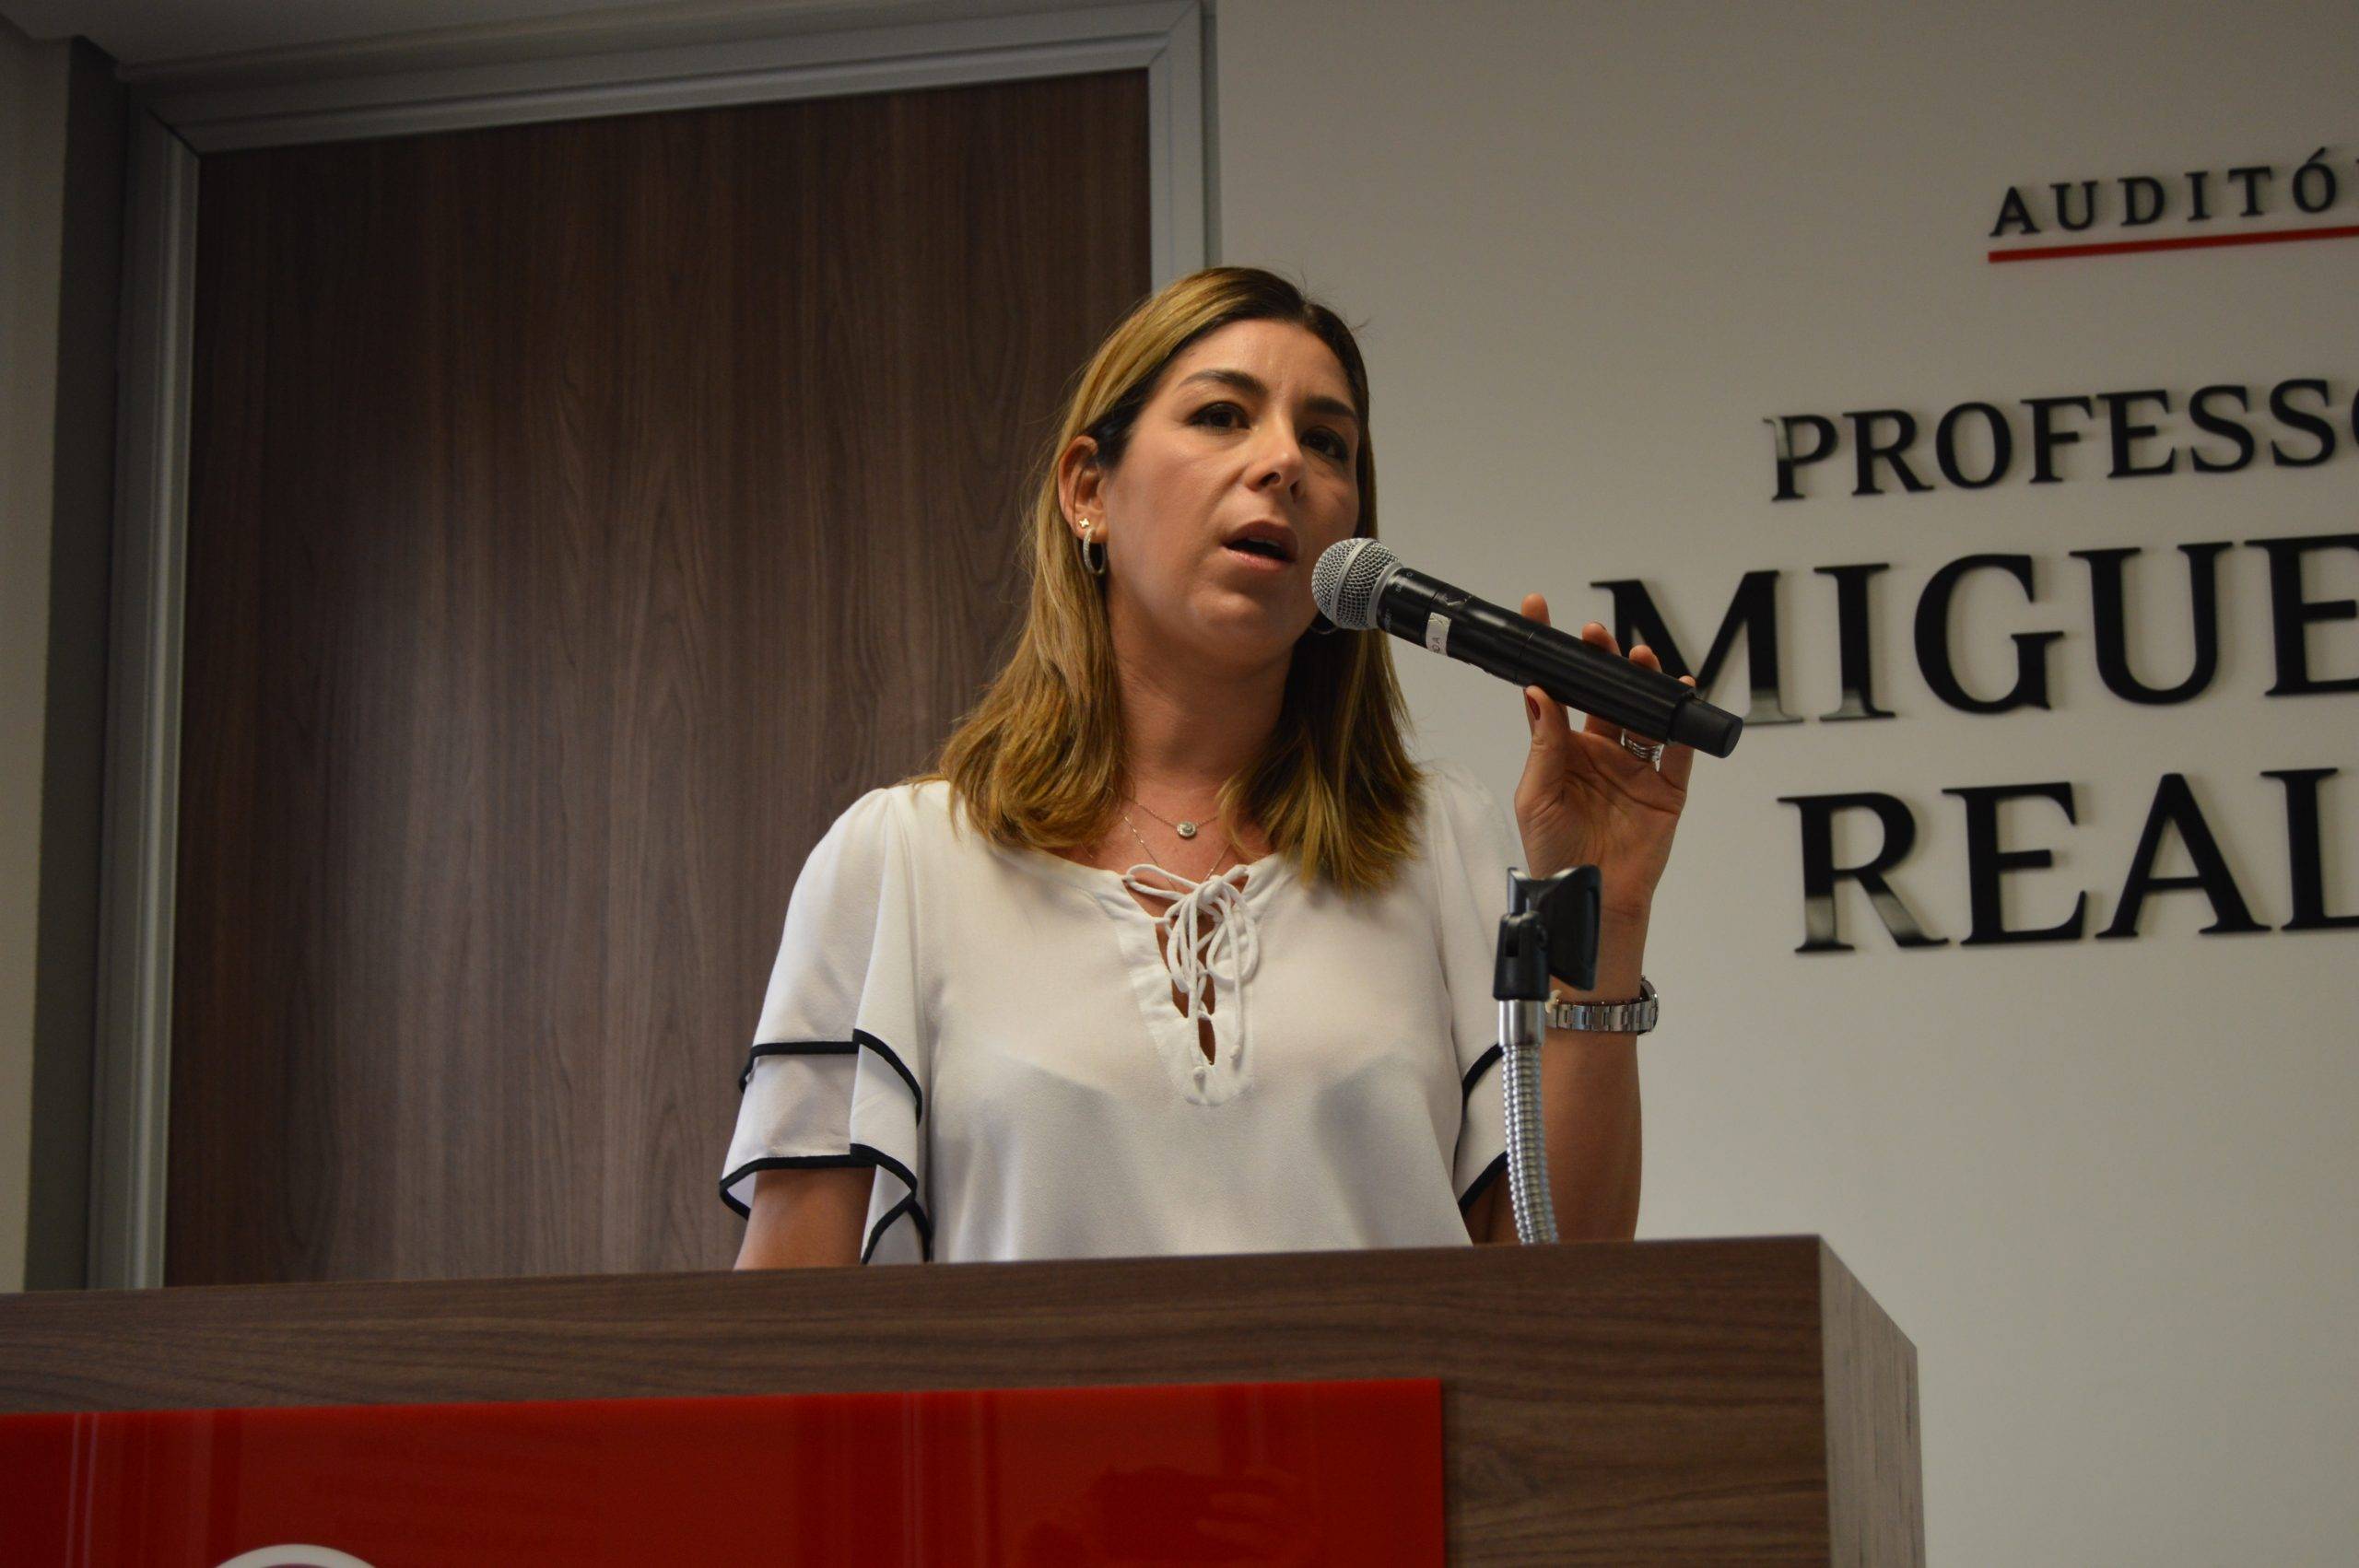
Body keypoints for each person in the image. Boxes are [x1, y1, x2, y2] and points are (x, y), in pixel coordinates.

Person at [724, 267, 1695, 1268]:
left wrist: (1610, 916)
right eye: (1223, 416)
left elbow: (1557, 1286)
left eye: (1328, 442)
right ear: (1088, 491)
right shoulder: (900, 861)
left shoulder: (1440, 841)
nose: (1284, 463)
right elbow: (795, 1327)